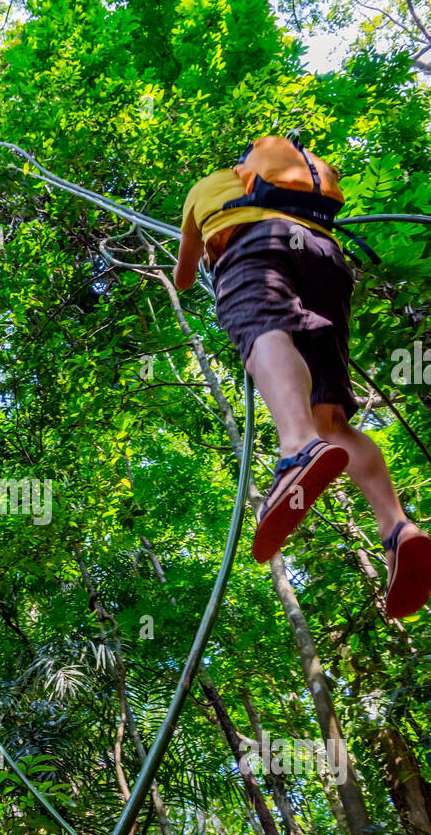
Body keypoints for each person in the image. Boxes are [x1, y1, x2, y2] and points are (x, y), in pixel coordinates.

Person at [173, 135, 431, 619]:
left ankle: (297, 447)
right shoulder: (291, 190)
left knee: (265, 331)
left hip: (254, 246)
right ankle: (397, 528)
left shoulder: (205, 189)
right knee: (332, 419)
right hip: (326, 257)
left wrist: (194, 242)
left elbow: (185, 275)